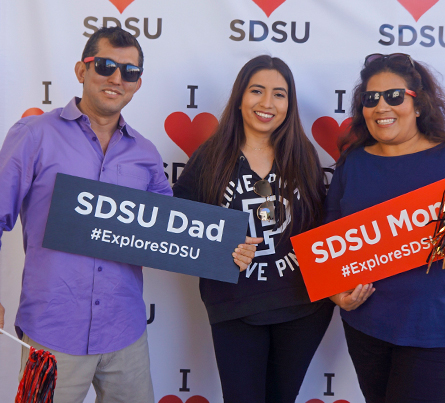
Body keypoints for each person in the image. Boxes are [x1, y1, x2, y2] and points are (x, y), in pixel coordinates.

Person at [0, 27, 256, 403]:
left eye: (130, 72)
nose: (116, 78)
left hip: (125, 335)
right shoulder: (34, 135)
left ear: (137, 83)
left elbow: (175, 231)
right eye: (105, 66)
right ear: (80, 70)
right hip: (52, 332)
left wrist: (227, 247)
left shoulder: (146, 153)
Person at [325, 53, 445, 403]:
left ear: (419, 104)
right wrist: (335, 291)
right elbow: (330, 238)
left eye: (394, 96)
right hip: (368, 328)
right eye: (371, 99)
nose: (381, 106)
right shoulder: (353, 162)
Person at [173, 55, 337, 403]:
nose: (267, 103)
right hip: (234, 306)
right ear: (240, 97)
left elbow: (322, 224)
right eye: (257, 91)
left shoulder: (303, 155)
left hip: (302, 308)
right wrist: (221, 246)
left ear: (289, 104)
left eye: (279, 94)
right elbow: (177, 226)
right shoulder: (210, 157)